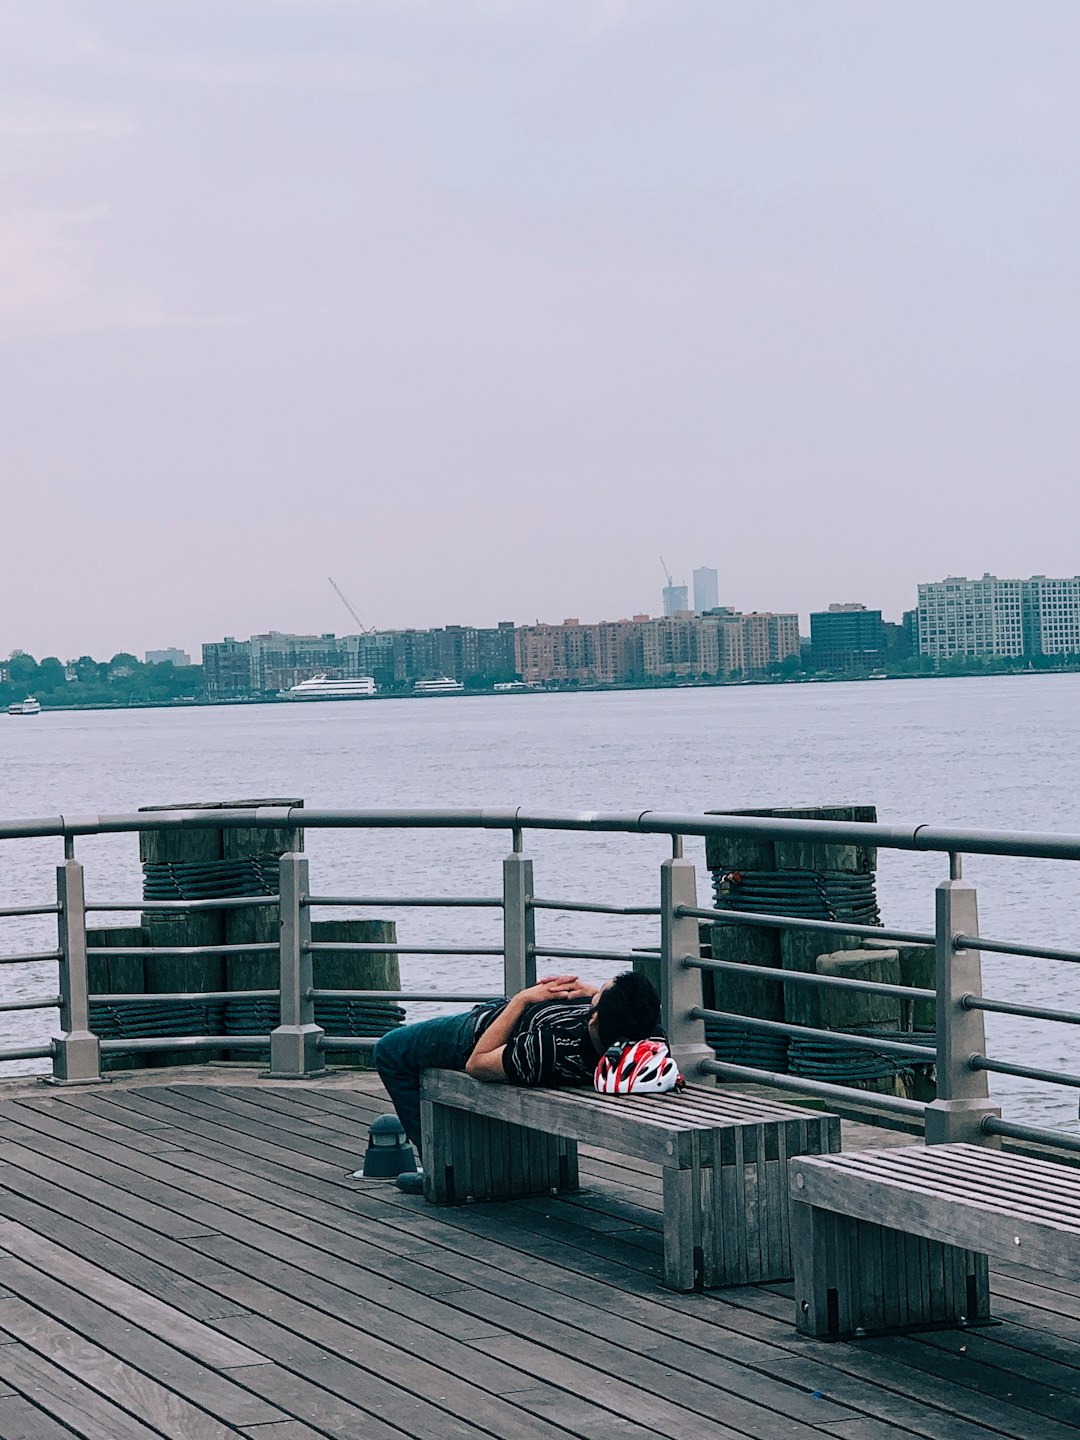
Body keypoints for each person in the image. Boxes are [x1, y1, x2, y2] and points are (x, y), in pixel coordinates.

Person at [373, 969, 661, 1190]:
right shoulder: (647, 1040)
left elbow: (478, 1062)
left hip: (478, 1031)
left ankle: (435, 1171)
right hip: (525, 1017)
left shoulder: (549, 1048)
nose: (590, 992)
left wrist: (521, 1000)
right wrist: (590, 994)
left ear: (595, 1018)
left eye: (596, 996)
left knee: (389, 1050)